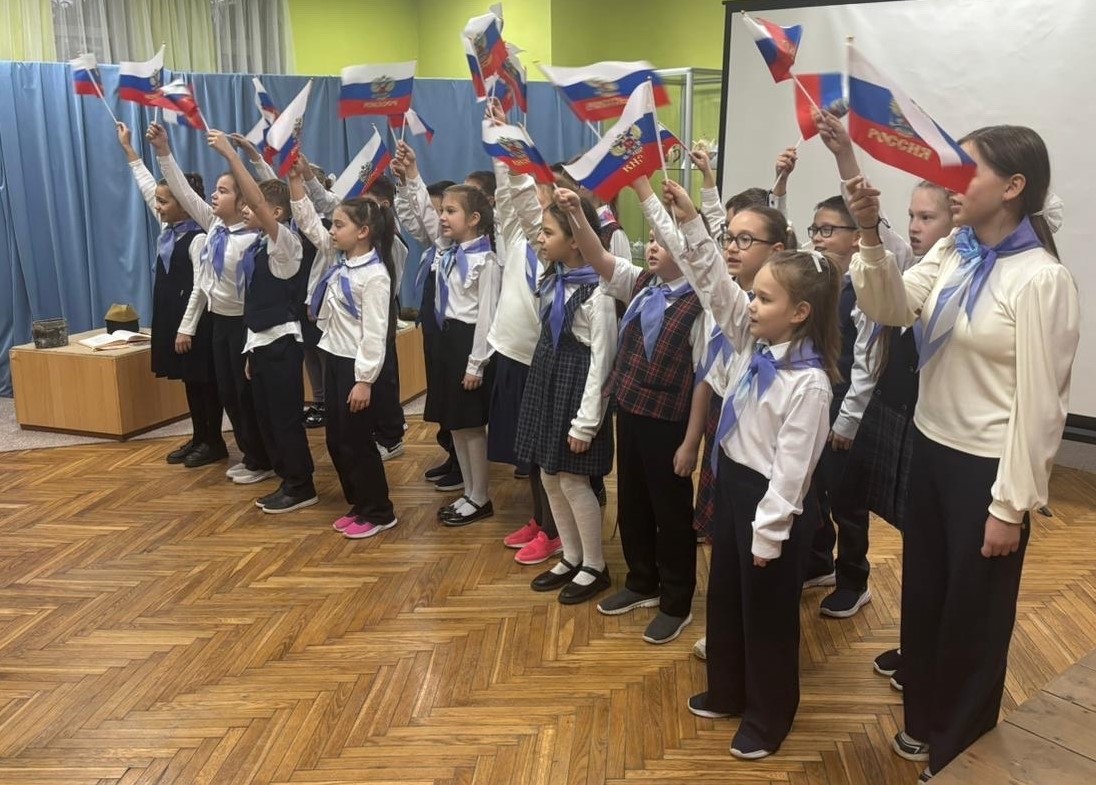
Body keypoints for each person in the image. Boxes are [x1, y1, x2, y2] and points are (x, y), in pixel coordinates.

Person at [847, 125, 1078, 780]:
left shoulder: (1041, 279)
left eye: (966, 170)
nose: (952, 182)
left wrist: (1010, 506)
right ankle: (922, 721)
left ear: (1013, 187)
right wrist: (869, 235)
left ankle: (959, 752)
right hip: (930, 451)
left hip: (987, 472)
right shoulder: (955, 249)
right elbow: (891, 307)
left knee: (973, 620)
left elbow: (1040, 406)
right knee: (924, 598)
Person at [667, 175, 839, 760]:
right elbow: (717, 286)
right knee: (727, 595)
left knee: (767, 614)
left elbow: (792, 473)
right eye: (755, 298)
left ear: (800, 313)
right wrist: (691, 221)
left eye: (764, 300)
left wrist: (768, 534)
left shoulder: (808, 383)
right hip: (736, 486)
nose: (751, 306)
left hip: (775, 507)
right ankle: (727, 689)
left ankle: (768, 718)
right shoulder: (754, 342)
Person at [515, 190, 617, 605]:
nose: (540, 238)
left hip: (577, 389)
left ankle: (595, 564)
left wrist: (587, 423)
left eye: (548, 232)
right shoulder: (553, 277)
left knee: (574, 481)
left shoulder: (599, 292)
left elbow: (602, 363)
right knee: (547, 474)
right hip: (548, 381)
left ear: (576, 240)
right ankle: (571, 555)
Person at [289, 161, 398, 538]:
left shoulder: (375, 275)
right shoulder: (340, 261)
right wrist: (295, 181)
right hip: (334, 358)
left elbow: (375, 334)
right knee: (336, 438)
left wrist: (364, 380)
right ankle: (359, 503)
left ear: (363, 232)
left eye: (339, 225)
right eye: (333, 225)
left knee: (357, 441)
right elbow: (308, 222)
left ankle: (380, 510)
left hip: (356, 366)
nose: (332, 231)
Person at [116, 122, 225, 469]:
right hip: (172, 314)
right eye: (158, 202)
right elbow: (148, 186)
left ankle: (214, 440)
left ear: (185, 204)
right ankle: (199, 435)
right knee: (190, 381)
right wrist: (129, 150)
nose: (158, 207)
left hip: (195, 321)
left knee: (204, 381)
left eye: (165, 202)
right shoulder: (169, 227)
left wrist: (186, 328)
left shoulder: (199, 237)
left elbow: (200, 288)